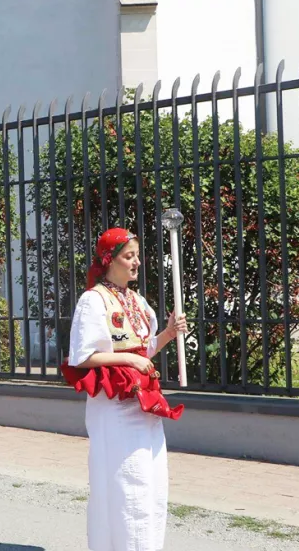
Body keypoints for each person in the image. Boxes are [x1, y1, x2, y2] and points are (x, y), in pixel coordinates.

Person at [63, 228, 188, 551]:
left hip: (144, 404)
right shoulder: (93, 300)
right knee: (126, 483)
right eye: (128, 256)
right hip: (114, 407)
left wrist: (169, 334)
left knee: (153, 483)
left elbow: (145, 350)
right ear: (109, 260)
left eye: (137, 255)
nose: (136, 263)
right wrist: (131, 363)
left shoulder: (137, 300)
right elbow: (83, 356)